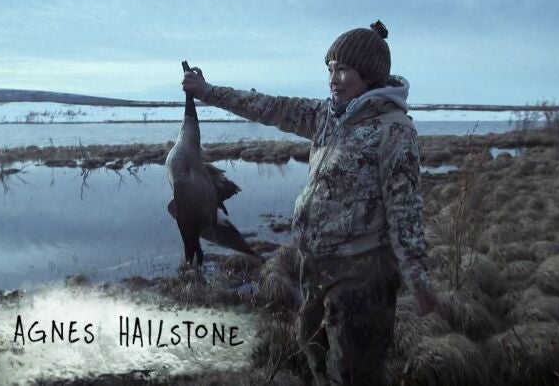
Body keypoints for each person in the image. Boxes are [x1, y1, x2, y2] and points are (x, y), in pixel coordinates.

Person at [182, 20, 440, 385]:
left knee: (354, 372)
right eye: (330, 69)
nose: (333, 78)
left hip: (361, 274)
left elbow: (405, 209)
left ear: (369, 75)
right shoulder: (325, 116)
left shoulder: (394, 130)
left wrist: (418, 276)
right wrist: (208, 91)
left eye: (344, 70)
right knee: (314, 351)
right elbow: (267, 106)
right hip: (314, 262)